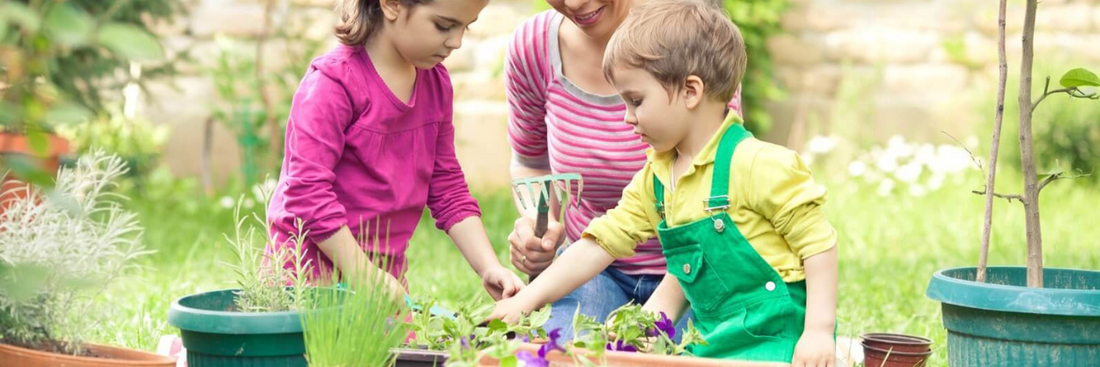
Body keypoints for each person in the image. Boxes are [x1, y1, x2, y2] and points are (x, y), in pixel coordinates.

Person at [492, 1, 838, 365]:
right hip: (714, 339)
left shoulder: (760, 164)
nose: (627, 118)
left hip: (777, 338)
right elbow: (601, 245)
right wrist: (526, 301)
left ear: (691, 91)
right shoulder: (656, 177)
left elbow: (818, 246)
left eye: (636, 101)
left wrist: (817, 331)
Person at [505, 0, 741, 338]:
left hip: (697, 271)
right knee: (560, 353)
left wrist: (648, 321)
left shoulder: (690, 33)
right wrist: (538, 224)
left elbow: (720, 208)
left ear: (691, 90)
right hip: (592, 271)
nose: (573, 3)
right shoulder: (649, 184)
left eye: (636, 101)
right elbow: (532, 162)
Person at [265, 0, 524, 301]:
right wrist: (363, 275)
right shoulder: (333, 84)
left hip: (382, 283)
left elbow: (447, 188)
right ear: (391, 5)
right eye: (443, 25)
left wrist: (488, 266)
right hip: (307, 281)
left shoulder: (436, 85)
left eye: (466, 26)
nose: (456, 42)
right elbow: (306, 193)